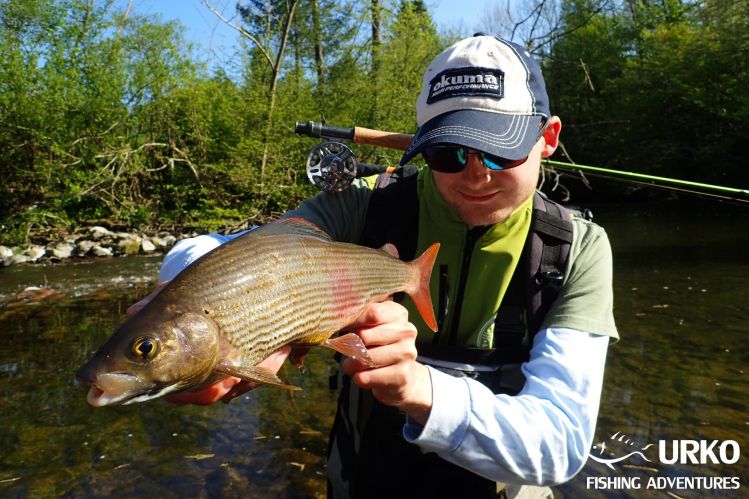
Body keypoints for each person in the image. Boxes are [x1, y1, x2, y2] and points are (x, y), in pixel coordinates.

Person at [145, 34, 618, 498]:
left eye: (501, 147)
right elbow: (211, 246)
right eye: (448, 152)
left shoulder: (577, 250)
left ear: (548, 137)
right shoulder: (365, 206)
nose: (476, 173)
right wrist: (194, 308)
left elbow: (560, 445)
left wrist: (417, 388)